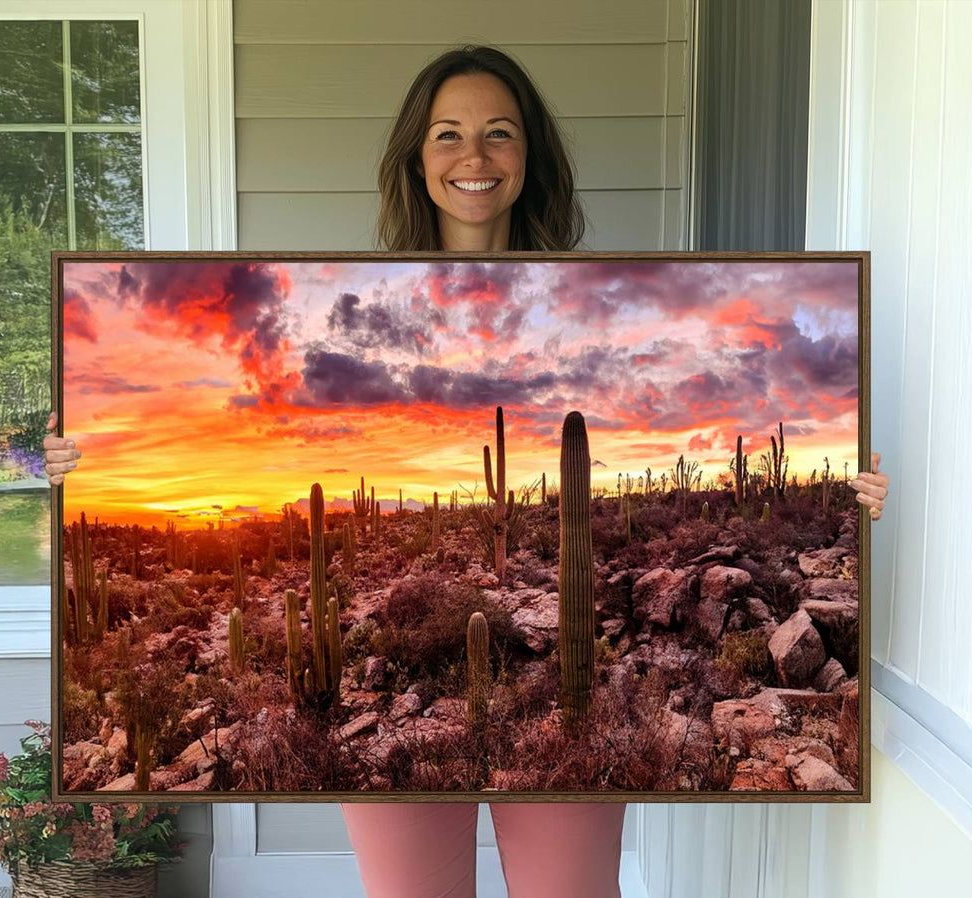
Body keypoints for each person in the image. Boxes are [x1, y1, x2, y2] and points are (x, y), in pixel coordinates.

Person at [44, 45, 890, 898]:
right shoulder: (356, 293)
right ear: (417, 156)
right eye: (447, 134)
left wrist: (851, 498)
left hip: (567, 691)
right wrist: (75, 459)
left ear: (530, 157)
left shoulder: (600, 295)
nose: (474, 157)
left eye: (499, 133)